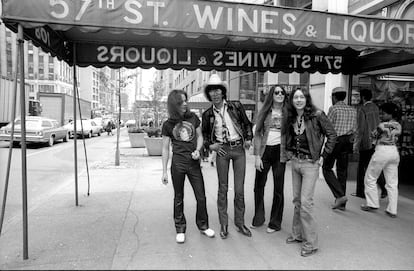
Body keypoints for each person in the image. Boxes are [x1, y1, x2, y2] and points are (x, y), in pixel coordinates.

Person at [283, 88, 336, 257]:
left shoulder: (317, 115)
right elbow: (289, 137)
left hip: (310, 163)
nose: (298, 100)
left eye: (301, 97)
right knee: (297, 200)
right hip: (296, 162)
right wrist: (289, 152)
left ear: (306, 99)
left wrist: (323, 155)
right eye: (295, 97)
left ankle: (311, 243)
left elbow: (332, 135)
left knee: (306, 203)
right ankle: (297, 234)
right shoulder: (291, 116)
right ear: (292, 100)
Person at [201, 74, 253, 239]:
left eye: (217, 90)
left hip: (238, 150)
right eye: (212, 91)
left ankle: (240, 223)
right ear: (209, 95)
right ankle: (224, 224)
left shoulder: (235, 106)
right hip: (222, 151)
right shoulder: (207, 114)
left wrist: (249, 139)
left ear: (223, 92)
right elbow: (204, 135)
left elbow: (246, 124)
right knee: (222, 189)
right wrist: (211, 146)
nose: (215, 94)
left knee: (239, 190)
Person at [161, 89, 215, 244]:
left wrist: (198, 150)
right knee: (178, 197)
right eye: (181, 102)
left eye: (186, 100)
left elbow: (200, 137)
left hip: (193, 163)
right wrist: (164, 171)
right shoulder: (168, 124)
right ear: (174, 104)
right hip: (178, 163)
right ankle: (180, 228)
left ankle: (203, 226)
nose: (185, 104)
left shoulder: (193, 118)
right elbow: (165, 148)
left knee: (201, 196)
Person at [251, 85, 287, 233]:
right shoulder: (264, 112)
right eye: (276, 92)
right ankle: (259, 218)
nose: (279, 94)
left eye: (282, 92)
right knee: (259, 186)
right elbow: (257, 133)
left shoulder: (288, 112)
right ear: (272, 95)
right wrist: (257, 156)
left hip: (280, 151)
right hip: (265, 151)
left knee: (279, 189)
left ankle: (275, 223)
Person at [360, 102, 401, 218]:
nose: (381, 116)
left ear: (390, 114)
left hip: (382, 151)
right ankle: (392, 210)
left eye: (383, 113)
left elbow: (373, 135)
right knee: (392, 182)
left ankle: (372, 203)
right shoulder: (399, 125)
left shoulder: (382, 125)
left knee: (370, 178)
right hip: (394, 152)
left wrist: (374, 136)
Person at [322, 87, 357, 211]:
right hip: (347, 142)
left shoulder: (333, 109)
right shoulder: (352, 110)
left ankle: (340, 196)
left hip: (336, 141)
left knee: (326, 168)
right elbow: (355, 129)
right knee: (342, 171)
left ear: (334, 97)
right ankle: (342, 204)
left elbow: (327, 126)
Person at [353, 89, 387, 199]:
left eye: (359, 97)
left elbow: (360, 129)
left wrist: (356, 145)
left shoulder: (362, 109)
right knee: (374, 166)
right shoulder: (376, 108)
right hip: (375, 141)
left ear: (363, 97)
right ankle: (383, 187)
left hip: (365, 142)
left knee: (362, 168)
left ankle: (360, 192)